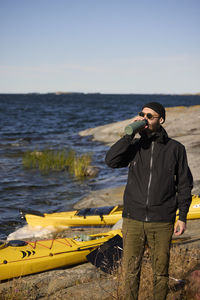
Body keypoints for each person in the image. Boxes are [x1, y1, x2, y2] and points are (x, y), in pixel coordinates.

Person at [105, 102, 193, 300]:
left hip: (162, 222)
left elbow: (185, 185)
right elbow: (110, 161)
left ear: (160, 120)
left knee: (160, 273)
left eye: (149, 116)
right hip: (133, 220)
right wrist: (128, 135)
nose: (144, 118)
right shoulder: (135, 146)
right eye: (141, 114)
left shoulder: (176, 149)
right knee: (129, 272)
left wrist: (183, 216)